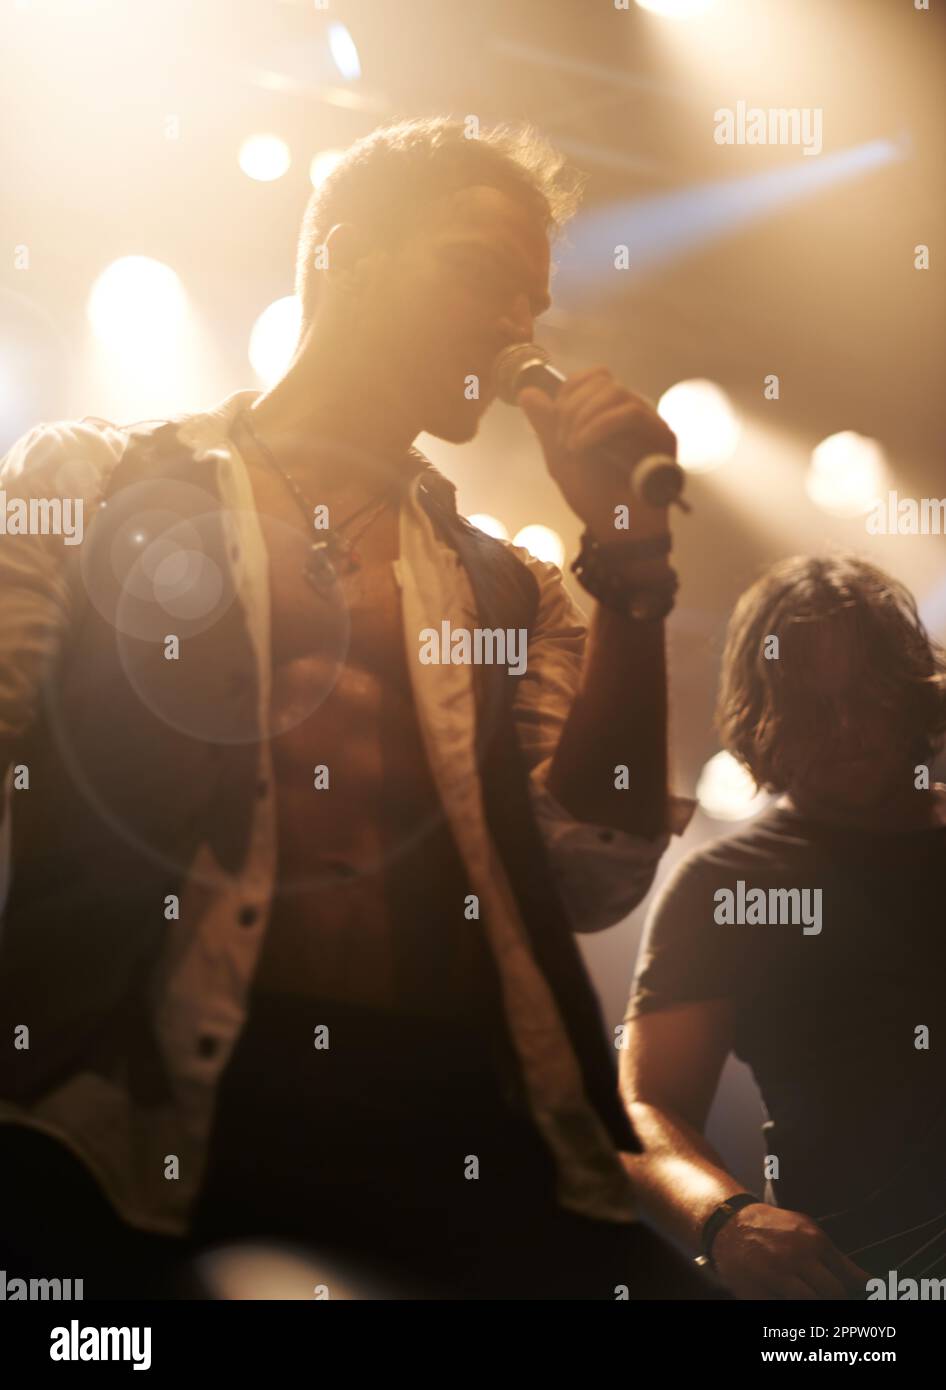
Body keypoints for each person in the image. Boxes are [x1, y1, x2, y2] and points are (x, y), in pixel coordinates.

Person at [0, 117, 712, 1299]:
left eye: (532, 302)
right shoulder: (90, 482)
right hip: (132, 1097)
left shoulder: (516, 583)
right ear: (343, 253)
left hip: (455, 1113)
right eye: (481, 274)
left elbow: (593, 872)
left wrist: (631, 563)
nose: (514, 330)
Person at [620, 554, 946, 1300]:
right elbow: (642, 1107)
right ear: (759, 714)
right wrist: (724, 1219)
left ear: (909, 693)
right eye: (809, 705)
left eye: (864, 696)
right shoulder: (721, 886)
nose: (845, 728)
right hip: (852, 1296)